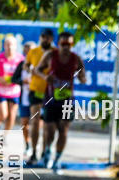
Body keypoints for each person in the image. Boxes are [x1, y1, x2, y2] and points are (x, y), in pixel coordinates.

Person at [34, 31, 86, 172]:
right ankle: (48, 150)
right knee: (50, 131)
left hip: (68, 100)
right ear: (58, 44)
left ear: (72, 44)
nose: (66, 47)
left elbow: (83, 77)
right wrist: (45, 78)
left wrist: (81, 77)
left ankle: (57, 159)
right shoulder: (51, 55)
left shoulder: (76, 59)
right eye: (63, 44)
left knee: (63, 130)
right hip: (51, 98)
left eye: (69, 44)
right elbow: (37, 70)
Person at [25, 28, 55, 165]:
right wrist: (29, 69)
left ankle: (45, 151)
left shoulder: (55, 53)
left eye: (48, 37)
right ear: (40, 37)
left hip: (50, 91)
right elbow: (26, 66)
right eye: (43, 36)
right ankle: (34, 152)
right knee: (35, 121)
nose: (45, 39)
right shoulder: (33, 52)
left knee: (48, 124)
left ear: (52, 39)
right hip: (35, 89)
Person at [0, 35, 24, 130]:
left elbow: (25, 73)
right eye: (7, 44)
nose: (10, 47)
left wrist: (18, 80)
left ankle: (5, 136)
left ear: (16, 46)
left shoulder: (20, 59)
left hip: (14, 90)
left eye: (12, 44)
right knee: (3, 114)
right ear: (4, 46)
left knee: (11, 116)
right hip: (1, 90)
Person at [11, 40, 35, 155]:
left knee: (36, 123)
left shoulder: (40, 64)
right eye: (26, 51)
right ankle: (27, 144)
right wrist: (23, 81)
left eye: (31, 51)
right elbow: (13, 79)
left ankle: (36, 143)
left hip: (37, 99)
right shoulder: (22, 64)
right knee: (25, 123)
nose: (28, 53)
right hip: (24, 98)